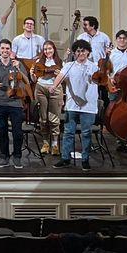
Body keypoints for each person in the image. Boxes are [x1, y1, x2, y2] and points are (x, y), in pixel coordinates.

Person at [52, 40, 99, 170]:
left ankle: (85, 159)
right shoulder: (69, 65)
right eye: (78, 51)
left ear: (88, 52)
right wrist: (54, 86)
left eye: (83, 50)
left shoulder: (94, 67)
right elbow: (60, 76)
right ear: (74, 53)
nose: (80, 53)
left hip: (88, 106)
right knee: (68, 132)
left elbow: (103, 79)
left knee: (85, 133)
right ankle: (65, 158)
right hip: (72, 105)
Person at [0, 39, 29, 169]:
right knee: (2, 131)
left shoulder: (17, 64)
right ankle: (4, 156)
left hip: (15, 102)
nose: (5, 51)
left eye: (7, 49)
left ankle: (17, 156)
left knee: (17, 131)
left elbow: (27, 81)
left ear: (10, 50)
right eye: (3, 48)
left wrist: (19, 69)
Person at [35, 40, 63, 155]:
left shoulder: (60, 62)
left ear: (54, 49)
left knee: (54, 118)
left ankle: (55, 144)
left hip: (55, 89)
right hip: (41, 88)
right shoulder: (38, 61)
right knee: (43, 118)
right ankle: (45, 143)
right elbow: (33, 79)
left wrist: (59, 75)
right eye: (45, 49)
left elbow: (64, 79)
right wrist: (33, 73)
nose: (48, 51)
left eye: (50, 49)